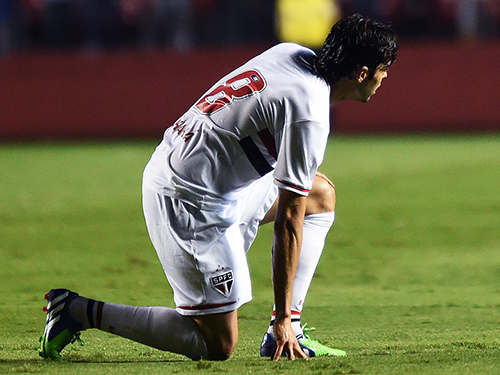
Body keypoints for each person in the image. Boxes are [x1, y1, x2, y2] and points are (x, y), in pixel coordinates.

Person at [39, 14, 397, 362]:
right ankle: (77, 311)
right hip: (188, 201)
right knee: (218, 345)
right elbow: (289, 218)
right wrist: (282, 314)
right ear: (361, 73)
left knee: (319, 196)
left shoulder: (289, 52)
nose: (384, 79)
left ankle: (284, 334)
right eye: (384, 70)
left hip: (206, 179)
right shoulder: (310, 111)